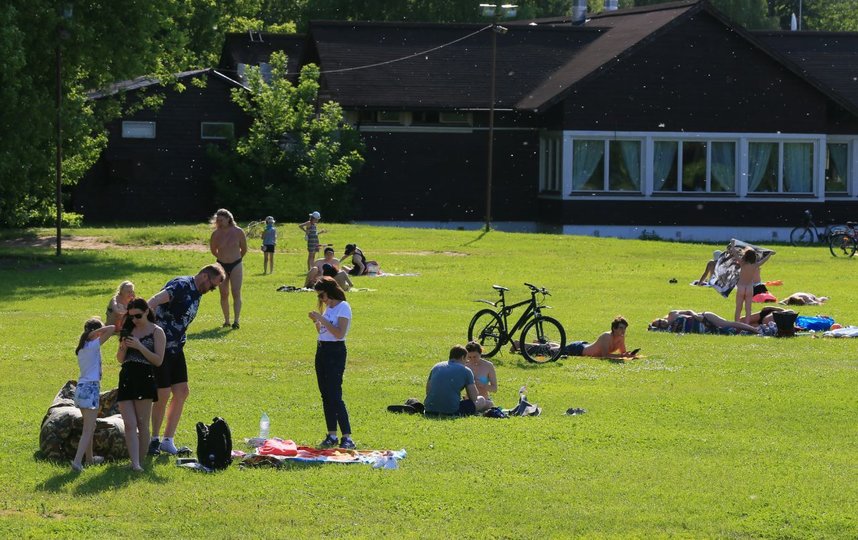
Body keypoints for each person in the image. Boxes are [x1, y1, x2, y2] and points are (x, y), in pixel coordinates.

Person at [146, 264, 225, 456]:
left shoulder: (197, 292)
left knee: (181, 392)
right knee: (163, 393)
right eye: (213, 286)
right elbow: (153, 301)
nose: (212, 290)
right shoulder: (181, 285)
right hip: (161, 347)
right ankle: (153, 440)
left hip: (177, 347)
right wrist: (150, 328)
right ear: (205, 276)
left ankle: (168, 440)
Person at [116, 299, 165, 471]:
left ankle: (139, 462)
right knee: (129, 423)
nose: (134, 320)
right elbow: (120, 359)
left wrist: (139, 346)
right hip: (127, 376)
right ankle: (134, 462)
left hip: (144, 377)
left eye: (138, 316)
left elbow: (158, 360)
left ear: (146, 312)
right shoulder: (129, 329)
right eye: (131, 316)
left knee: (142, 422)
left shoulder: (156, 332)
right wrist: (123, 347)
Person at [307, 277, 355, 449]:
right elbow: (323, 331)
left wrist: (322, 317)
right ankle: (332, 435)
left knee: (335, 395)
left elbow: (339, 333)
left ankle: (347, 437)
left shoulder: (343, 307)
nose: (321, 299)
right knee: (325, 395)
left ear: (330, 291)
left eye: (322, 295)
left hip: (335, 352)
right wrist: (317, 321)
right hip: (322, 350)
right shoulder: (328, 308)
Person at [71, 317, 116, 472]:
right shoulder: (91, 345)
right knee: (88, 429)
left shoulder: (83, 348)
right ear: (95, 333)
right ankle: (77, 462)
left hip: (81, 388)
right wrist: (95, 333)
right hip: (90, 389)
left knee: (90, 425)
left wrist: (91, 333)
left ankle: (89, 459)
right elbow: (111, 328)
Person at [424, 345, 493, 416]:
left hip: (429, 408)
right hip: (452, 411)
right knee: (481, 400)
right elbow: (474, 398)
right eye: (466, 359)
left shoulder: (436, 366)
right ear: (463, 357)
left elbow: (428, 390)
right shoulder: (466, 370)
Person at [210, 208, 248, 329]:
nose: (219, 222)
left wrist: (236, 258)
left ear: (228, 219)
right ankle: (226, 321)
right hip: (221, 265)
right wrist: (222, 259)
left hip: (236, 264)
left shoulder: (238, 232)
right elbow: (213, 250)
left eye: (222, 220)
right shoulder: (215, 234)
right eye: (218, 220)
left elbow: (244, 249)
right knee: (223, 293)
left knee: (236, 292)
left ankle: (236, 321)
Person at [563, 316, 635, 359]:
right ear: (614, 328)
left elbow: (623, 353)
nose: (623, 330)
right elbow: (605, 355)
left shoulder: (621, 337)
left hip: (585, 345)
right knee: (555, 351)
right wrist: (622, 356)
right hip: (578, 349)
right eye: (621, 328)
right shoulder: (606, 336)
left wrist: (628, 354)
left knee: (558, 347)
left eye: (624, 328)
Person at [735, 247, 774, 323]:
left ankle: (737, 324)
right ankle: (747, 325)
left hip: (741, 287)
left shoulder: (742, 263)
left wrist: (733, 245)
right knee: (748, 309)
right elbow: (764, 260)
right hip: (750, 287)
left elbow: (735, 254)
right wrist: (769, 254)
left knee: (738, 308)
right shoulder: (756, 265)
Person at [650, 309, 760, 333]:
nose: (661, 322)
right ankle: (753, 330)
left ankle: (755, 330)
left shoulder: (672, 314)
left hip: (704, 317)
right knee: (727, 331)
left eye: (660, 320)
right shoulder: (670, 330)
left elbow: (688, 311)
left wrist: (695, 315)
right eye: (659, 324)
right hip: (704, 328)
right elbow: (651, 330)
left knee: (726, 324)